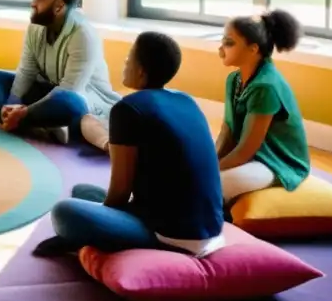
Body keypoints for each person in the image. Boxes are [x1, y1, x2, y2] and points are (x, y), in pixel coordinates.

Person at [34, 32, 225, 257]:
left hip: (172, 235)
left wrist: (87, 229)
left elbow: (120, 193)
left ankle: (88, 238)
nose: (125, 62)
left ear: (141, 70)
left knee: (64, 211)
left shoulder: (127, 109)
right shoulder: (185, 100)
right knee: (82, 191)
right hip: (211, 227)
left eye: (129, 57)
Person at [0, 0, 121, 144]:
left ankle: (13, 117)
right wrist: (12, 103)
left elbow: (70, 88)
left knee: (67, 101)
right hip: (45, 90)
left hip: (81, 97)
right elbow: (26, 71)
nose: (33, 3)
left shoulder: (83, 36)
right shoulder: (36, 26)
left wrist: (24, 112)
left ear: (59, 6)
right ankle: (17, 118)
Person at [217, 10, 310, 202]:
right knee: (193, 172)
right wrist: (208, 161)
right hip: (251, 156)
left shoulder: (265, 87)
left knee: (210, 185)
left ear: (253, 49)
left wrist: (208, 171)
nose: (220, 49)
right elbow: (227, 131)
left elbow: (245, 151)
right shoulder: (233, 80)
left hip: (275, 162)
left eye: (229, 43)